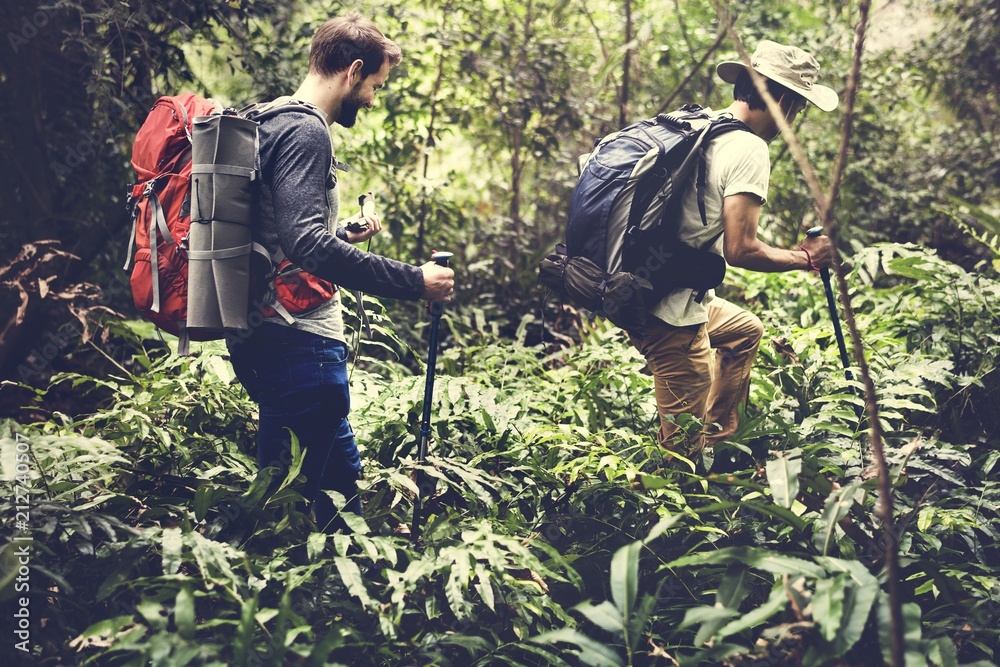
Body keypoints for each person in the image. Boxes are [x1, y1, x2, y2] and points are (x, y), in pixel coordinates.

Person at [226, 13, 454, 532]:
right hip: (297, 342)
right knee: (280, 501)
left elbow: (283, 234)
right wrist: (414, 280)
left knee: (341, 489)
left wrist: (343, 235)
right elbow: (306, 243)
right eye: (375, 85)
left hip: (275, 335)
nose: (373, 99)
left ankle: (336, 594)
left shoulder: (271, 118)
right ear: (353, 72)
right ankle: (256, 592)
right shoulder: (307, 132)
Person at [629, 40, 836, 465]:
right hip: (668, 313)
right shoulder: (749, 148)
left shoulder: (703, 125)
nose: (793, 118)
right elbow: (740, 250)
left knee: (744, 330)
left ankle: (717, 441)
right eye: (797, 106)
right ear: (781, 99)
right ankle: (687, 481)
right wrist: (807, 258)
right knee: (677, 462)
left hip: (639, 281)